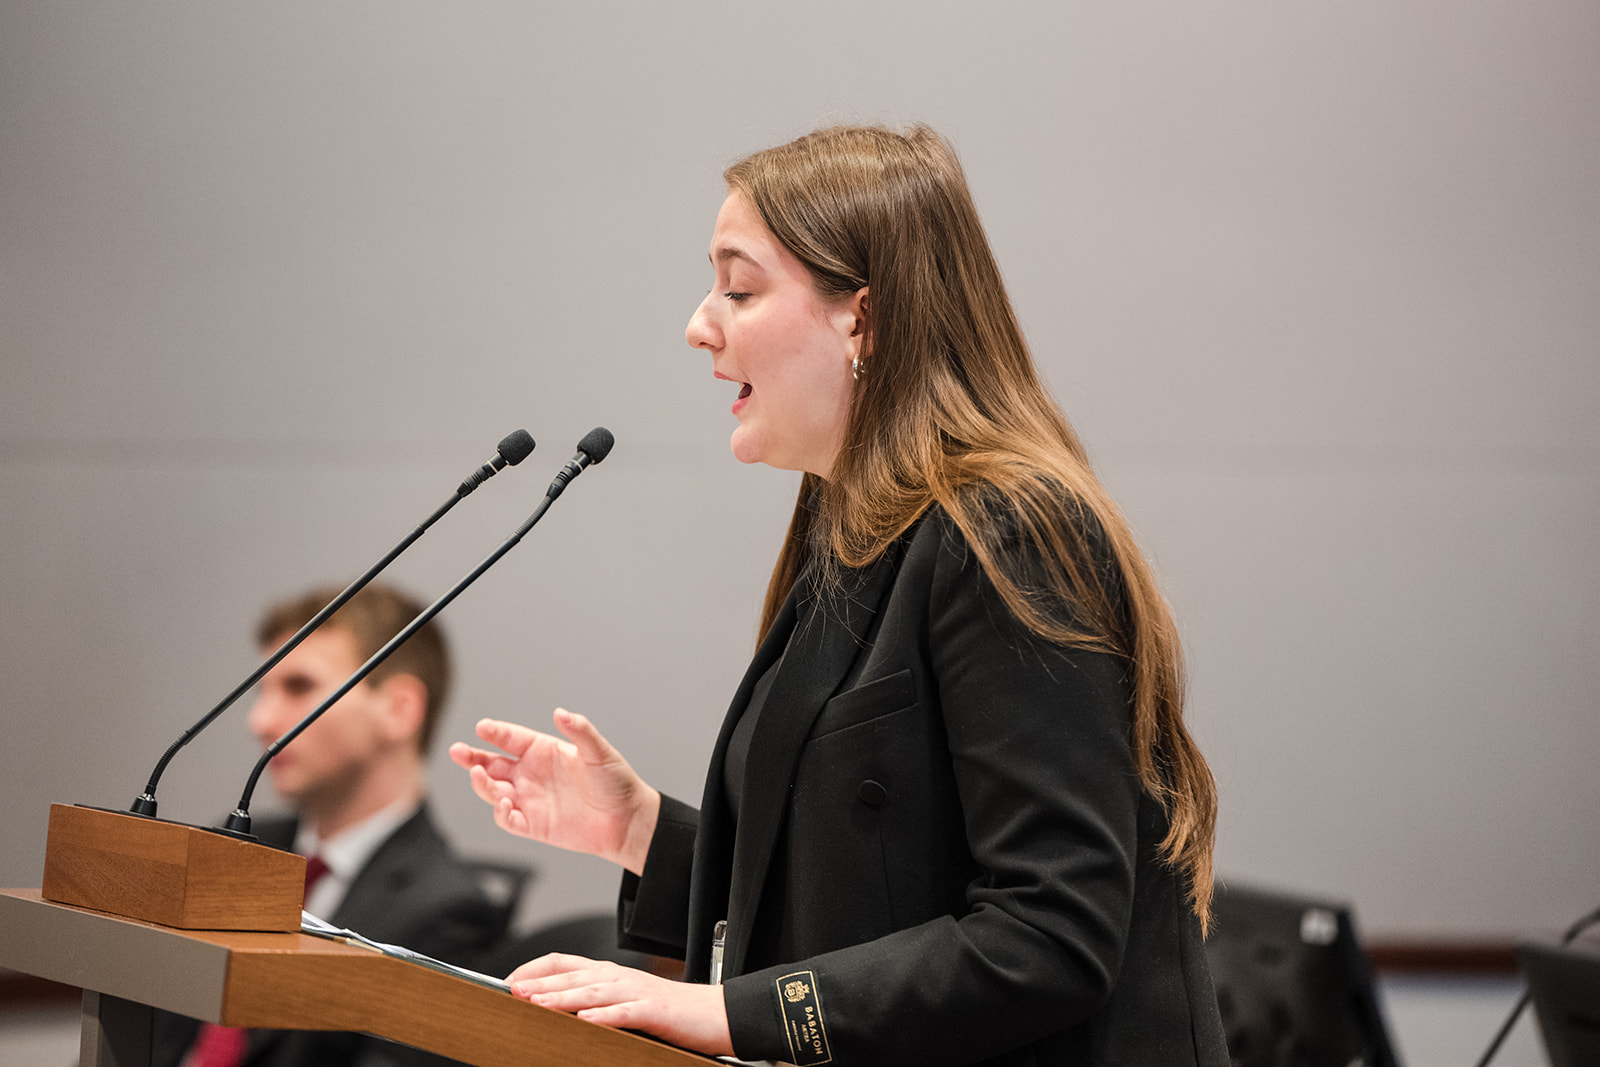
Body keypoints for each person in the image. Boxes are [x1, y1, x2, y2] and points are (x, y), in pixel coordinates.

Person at [450, 123, 1227, 1066]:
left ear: (861, 317)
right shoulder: (852, 523)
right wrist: (641, 831)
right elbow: (874, 892)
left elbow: (1050, 934)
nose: (699, 324)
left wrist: (728, 1014)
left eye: (739, 289)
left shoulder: (1008, 528)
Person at [155, 583, 506, 1067]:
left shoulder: (447, 912)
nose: (260, 720)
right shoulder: (240, 848)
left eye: (298, 687)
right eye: (262, 691)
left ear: (398, 709)